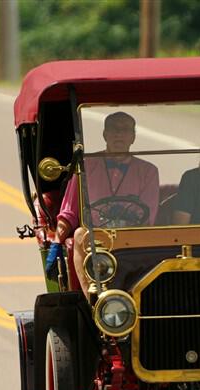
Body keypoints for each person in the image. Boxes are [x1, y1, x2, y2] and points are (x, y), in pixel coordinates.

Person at [45, 111, 159, 292]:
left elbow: (148, 216)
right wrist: (56, 244)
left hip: (132, 235)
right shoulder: (85, 165)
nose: (119, 134)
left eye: (125, 130)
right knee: (79, 234)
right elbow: (70, 212)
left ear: (133, 137)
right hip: (95, 237)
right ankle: (93, 302)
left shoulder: (148, 171)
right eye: (114, 129)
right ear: (105, 134)